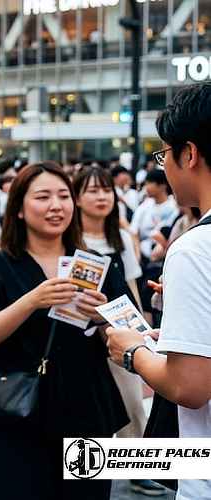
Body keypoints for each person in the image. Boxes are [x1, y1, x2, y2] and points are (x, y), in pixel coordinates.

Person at [0, 162, 129, 499]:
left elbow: (123, 340)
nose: (56, 206)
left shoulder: (95, 263)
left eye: (63, 196)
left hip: (87, 407)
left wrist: (102, 318)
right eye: (43, 197)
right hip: (19, 412)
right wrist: (32, 300)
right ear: (17, 209)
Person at [106, 82, 211, 500]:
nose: (164, 166)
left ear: (189, 153)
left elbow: (190, 386)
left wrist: (132, 351)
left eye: (164, 154)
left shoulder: (195, 249)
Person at [72, 166, 163, 497]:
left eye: (106, 190)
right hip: (80, 333)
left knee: (132, 403)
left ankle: (138, 470)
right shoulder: (69, 238)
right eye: (92, 190)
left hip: (119, 332)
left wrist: (141, 326)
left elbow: (130, 287)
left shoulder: (122, 237)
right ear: (77, 198)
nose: (101, 197)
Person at [131, 169, 179, 261]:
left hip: (166, 254)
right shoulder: (145, 205)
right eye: (146, 184)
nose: (146, 187)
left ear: (162, 186)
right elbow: (134, 231)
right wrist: (137, 256)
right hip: (143, 255)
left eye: (149, 183)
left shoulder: (174, 206)